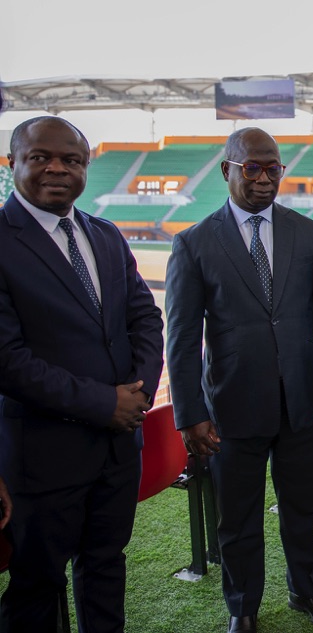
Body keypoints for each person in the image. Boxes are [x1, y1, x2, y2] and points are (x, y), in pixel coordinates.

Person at [165, 128, 313, 633]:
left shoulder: (309, 236)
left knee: (302, 508)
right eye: (253, 168)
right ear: (228, 170)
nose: (265, 178)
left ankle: (307, 591)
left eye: (273, 168)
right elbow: (180, 340)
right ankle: (243, 606)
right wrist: (192, 415)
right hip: (231, 408)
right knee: (238, 518)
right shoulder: (194, 243)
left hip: (301, 404)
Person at [0, 116, 163, 632]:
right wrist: (103, 403)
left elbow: (144, 317)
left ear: (86, 168)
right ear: (12, 164)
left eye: (71, 160)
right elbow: (8, 360)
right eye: (40, 157)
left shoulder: (105, 234)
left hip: (117, 450)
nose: (57, 168)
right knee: (37, 587)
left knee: (106, 567)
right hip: (43, 455)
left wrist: (136, 393)